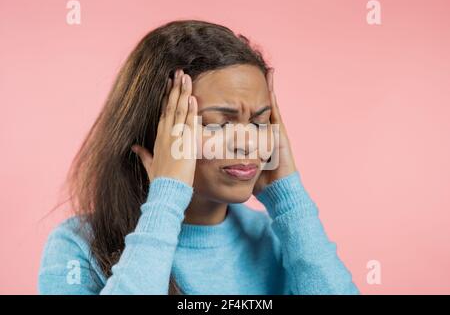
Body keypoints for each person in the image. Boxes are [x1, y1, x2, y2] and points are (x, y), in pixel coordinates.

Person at [38, 20, 359, 295]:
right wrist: (166, 199)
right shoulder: (77, 245)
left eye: (260, 122)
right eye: (220, 123)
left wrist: (289, 198)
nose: (248, 143)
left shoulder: (279, 238)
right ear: (154, 131)